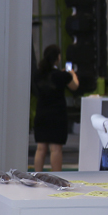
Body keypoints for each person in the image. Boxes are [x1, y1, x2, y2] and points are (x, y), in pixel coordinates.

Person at [32, 44, 79, 172]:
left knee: (40, 148)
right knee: (56, 149)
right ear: (58, 58)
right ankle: (57, 176)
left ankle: (36, 176)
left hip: (41, 113)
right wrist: (71, 73)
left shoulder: (38, 74)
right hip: (57, 115)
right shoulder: (61, 75)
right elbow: (75, 86)